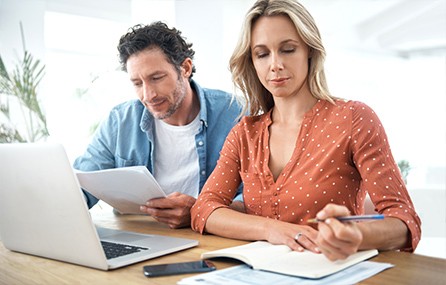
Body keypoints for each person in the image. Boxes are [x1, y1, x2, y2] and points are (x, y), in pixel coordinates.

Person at [191, 0, 421, 261]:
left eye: (288, 50)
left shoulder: (354, 118)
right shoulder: (244, 134)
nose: (275, 64)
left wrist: (358, 236)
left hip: (333, 271)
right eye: (262, 54)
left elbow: (404, 219)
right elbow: (204, 209)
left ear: (309, 51)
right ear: (252, 61)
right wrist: (272, 229)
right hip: (257, 273)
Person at [74, 22, 243, 229]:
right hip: (139, 235)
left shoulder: (236, 114)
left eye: (156, 78)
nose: (148, 95)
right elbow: (81, 187)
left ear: (185, 68)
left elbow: (256, 198)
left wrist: (200, 211)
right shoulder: (120, 121)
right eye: (137, 83)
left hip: (208, 236)